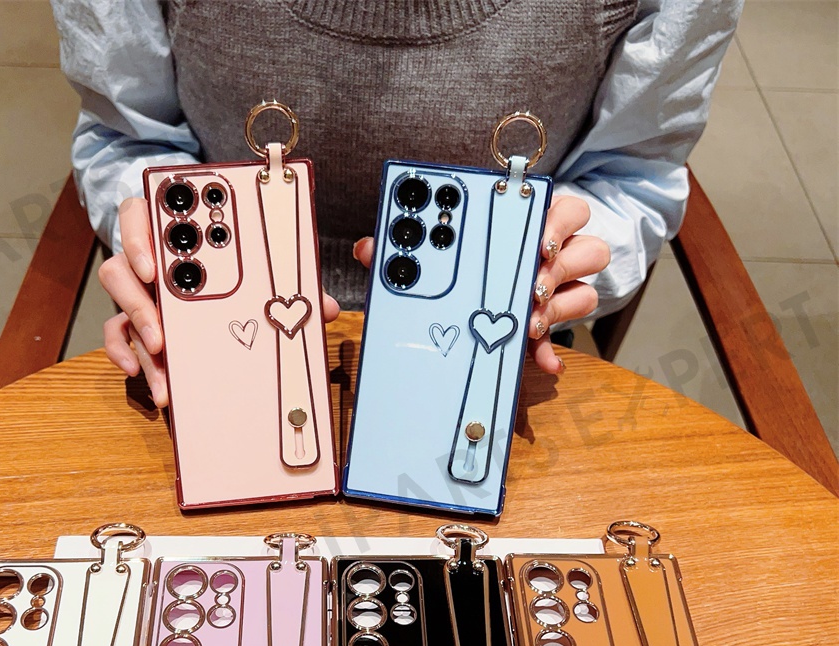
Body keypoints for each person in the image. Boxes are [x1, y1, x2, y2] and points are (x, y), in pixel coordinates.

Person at [52, 0, 741, 408]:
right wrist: (154, 234)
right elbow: (127, 133)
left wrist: (556, 262)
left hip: (493, 347)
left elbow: (634, 171)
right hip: (220, 338)